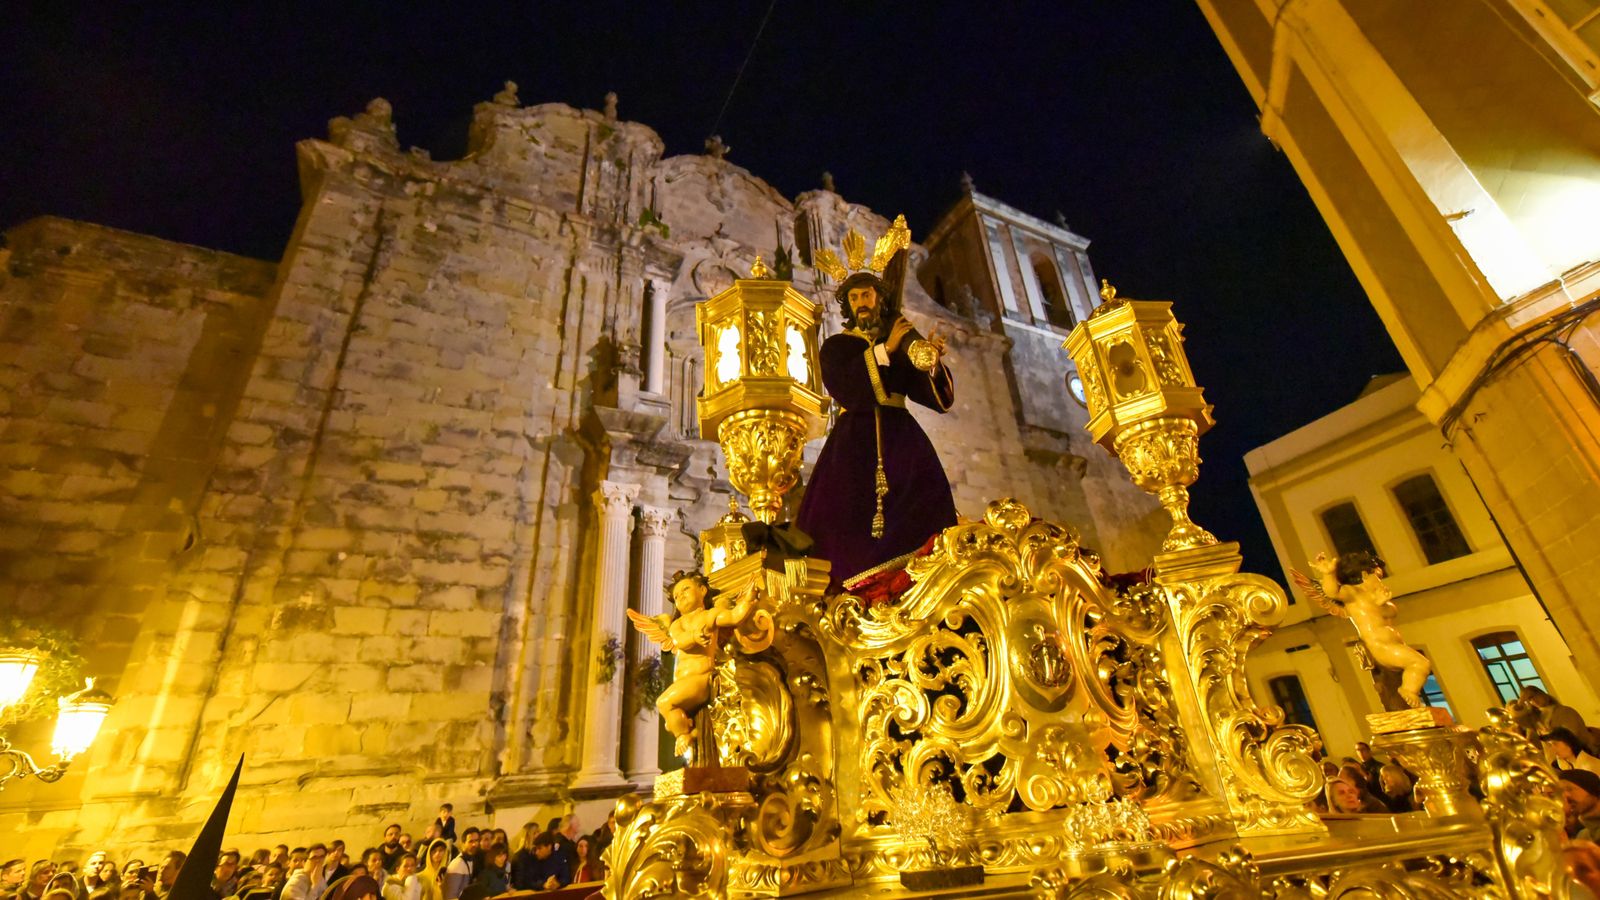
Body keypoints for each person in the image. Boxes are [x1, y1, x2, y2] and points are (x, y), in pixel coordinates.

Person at [795, 267, 957, 593]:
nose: (861, 302)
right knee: (842, 519)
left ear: (879, 298)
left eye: (866, 294)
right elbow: (846, 388)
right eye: (854, 298)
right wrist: (885, 350)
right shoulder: (837, 346)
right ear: (848, 306)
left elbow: (930, 396)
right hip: (854, 443)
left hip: (902, 439)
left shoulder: (900, 341)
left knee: (924, 509)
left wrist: (931, 362)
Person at [1303, 552, 1430, 708]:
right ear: (1365, 575)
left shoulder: (1373, 596)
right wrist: (1329, 574)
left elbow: (1392, 612)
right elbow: (1332, 592)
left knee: (1401, 682)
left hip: (1394, 645)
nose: (1380, 581)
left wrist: (1381, 602)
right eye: (1377, 576)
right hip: (1381, 647)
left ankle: (1405, 699)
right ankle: (1409, 690)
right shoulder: (1353, 593)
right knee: (1420, 663)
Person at [1561, 770, 1600, 841]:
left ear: (1591, 788)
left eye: (1569, 789)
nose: (1565, 796)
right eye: (1561, 792)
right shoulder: (1584, 837)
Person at [441, 830, 479, 900]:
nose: (474, 844)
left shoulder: (471, 860)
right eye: (471, 841)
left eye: (476, 841)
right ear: (463, 844)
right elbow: (450, 896)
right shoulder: (458, 863)